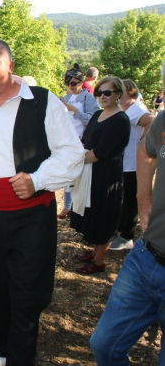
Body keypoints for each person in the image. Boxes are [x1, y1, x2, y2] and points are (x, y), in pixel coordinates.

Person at [0, 39, 84, 366]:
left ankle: (21, 360)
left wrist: (36, 180)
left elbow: (73, 153)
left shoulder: (42, 101)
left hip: (33, 216)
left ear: (10, 64)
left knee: (26, 294)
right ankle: (2, 352)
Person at [89, 61, 165, 364]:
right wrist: (144, 200)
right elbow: (147, 151)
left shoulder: (127, 117)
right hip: (146, 258)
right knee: (105, 345)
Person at [70, 76, 131, 274]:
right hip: (91, 173)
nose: (102, 96)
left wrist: (72, 162)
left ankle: (99, 263)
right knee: (94, 215)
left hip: (107, 177)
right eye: (99, 92)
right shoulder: (97, 114)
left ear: (118, 94)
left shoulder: (120, 120)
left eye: (107, 93)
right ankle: (94, 254)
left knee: (104, 218)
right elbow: (87, 141)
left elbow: (100, 152)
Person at [110, 79, 154, 251]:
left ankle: (127, 237)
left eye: (121, 92)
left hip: (133, 164)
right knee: (123, 199)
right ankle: (121, 230)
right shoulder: (128, 109)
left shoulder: (136, 109)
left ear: (130, 92)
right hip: (125, 162)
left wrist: (144, 145)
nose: (118, 95)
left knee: (130, 201)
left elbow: (151, 121)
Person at [57, 65, 99, 219]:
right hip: (67, 142)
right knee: (68, 176)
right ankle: (68, 207)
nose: (70, 87)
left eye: (73, 83)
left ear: (81, 82)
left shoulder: (88, 98)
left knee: (81, 178)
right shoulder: (66, 98)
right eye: (67, 83)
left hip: (82, 142)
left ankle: (80, 208)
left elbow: (94, 121)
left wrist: (75, 111)